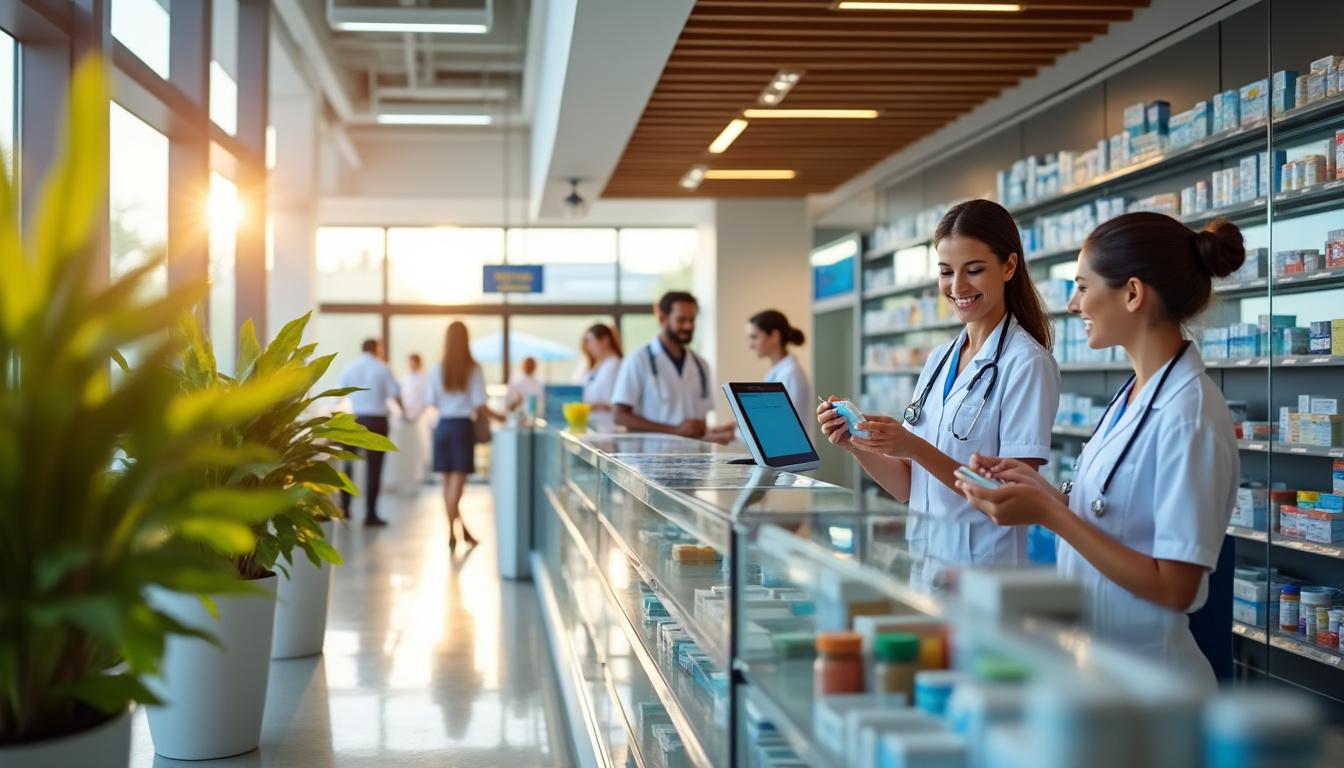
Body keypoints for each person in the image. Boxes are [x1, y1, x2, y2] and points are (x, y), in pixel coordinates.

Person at [956, 214, 1244, 686]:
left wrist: (1052, 516)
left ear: (1132, 294)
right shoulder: (1135, 394)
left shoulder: (1188, 415)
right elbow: (1120, 520)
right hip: (1102, 667)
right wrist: (1046, 495)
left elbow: (1176, 587)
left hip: (1153, 686)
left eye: (1083, 287)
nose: (1073, 305)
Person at [816, 199, 1060, 570]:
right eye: (946, 272)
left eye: (974, 270)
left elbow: (1011, 498)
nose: (957, 286)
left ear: (1009, 266)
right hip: (925, 566)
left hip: (984, 573)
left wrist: (912, 446)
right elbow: (905, 486)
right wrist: (856, 444)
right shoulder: (939, 360)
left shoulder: (1026, 363)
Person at [612, 291, 734, 443]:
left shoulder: (701, 365)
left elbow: (699, 424)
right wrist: (675, 431)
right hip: (652, 454)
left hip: (694, 455)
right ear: (662, 318)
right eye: (681, 320)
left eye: (692, 320)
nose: (689, 326)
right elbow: (619, 416)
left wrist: (712, 434)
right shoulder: (638, 360)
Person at [430, 321, 505, 549]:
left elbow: (431, 401)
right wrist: (500, 417)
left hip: (442, 426)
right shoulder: (473, 368)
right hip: (462, 428)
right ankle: (453, 532)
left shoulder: (436, 368)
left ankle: (457, 532)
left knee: (447, 485)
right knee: (457, 486)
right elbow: (480, 403)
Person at [339, 338, 405, 527]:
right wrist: (405, 412)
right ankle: (370, 514)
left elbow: (339, 392)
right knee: (374, 469)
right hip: (377, 422)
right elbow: (395, 394)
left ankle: (345, 509)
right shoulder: (383, 368)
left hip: (355, 420)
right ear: (376, 348)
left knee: (348, 465)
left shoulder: (350, 367)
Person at [747, 309, 812, 420]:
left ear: (774, 336)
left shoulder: (790, 374)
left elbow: (781, 419)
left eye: (754, 337)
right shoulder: (779, 372)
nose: (750, 345)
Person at [394, 353, 431, 494]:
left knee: (418, 450)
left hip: (418, 419)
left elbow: (426, 400)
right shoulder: (405, 378)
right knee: (406, 451)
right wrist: (404, 413)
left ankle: (417, 478)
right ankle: (405, 479)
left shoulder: (424, 379)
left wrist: (416, 414)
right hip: (406, 418)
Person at [578, 323, 624, 432]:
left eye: (590, 341)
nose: (588, 346)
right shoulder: (598, 366)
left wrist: (589, 406)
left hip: (607, 427)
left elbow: (614, 403)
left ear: (605, 340)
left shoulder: (615, 365)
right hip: (593, 426)